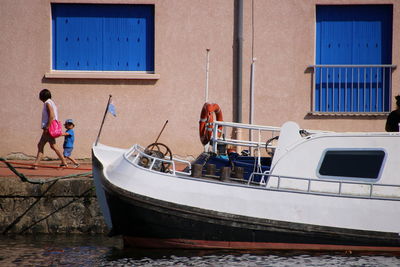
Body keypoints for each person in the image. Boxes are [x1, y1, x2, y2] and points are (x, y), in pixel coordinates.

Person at [33, 89, 68, 169]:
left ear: (42, 96)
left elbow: (51, 116)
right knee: (43, 145)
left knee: (51, 145)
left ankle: (64, 162)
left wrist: (47, 127)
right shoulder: (51, 103)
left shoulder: (47, 103)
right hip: (49, 128)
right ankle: (36, 164)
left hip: (48, 128)